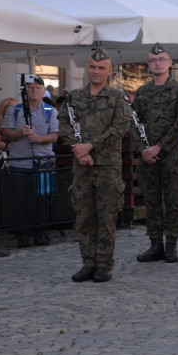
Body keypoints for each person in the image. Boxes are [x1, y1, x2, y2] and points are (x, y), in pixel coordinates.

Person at [59, 48, 132, 282]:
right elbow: (64, 125)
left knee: (106, 217)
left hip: (107, 167)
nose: (96, 71)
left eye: (101, 68)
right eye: (92, 67)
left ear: (109, 71)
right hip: (82, 167)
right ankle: (88, 263)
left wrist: (90, 146)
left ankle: (104, 264)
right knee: (84, 217)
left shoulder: (117, 98)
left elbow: (119, 128)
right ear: (87, 68)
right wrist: (79, 150)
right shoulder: (75, 97)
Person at [131, 43, 178, 264]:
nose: (157, 63)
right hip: (147, 157)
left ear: (170, 63)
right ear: (149, 64)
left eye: (162, 60)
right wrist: (143, 149)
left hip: (169, 156)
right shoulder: (142, 92)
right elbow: (134, 123)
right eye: (153, 60)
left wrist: (159, 147)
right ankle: (155, 244)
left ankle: (171, 245)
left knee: (172, 202)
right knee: (151, 201)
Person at [0, 76, 59, 247]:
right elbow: (5, 133)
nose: (34, 90)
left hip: (43, 162)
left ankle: (40, 233)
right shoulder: (14, 110)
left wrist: (39, 138)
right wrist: (20, 133)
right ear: (25, 90)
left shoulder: (50, 111)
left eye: (37, 88)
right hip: (20, 161)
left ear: (43, 91)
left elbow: (55, 135)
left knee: (43, 199)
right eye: (31, 87)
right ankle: (23, 234)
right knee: (21, 200)